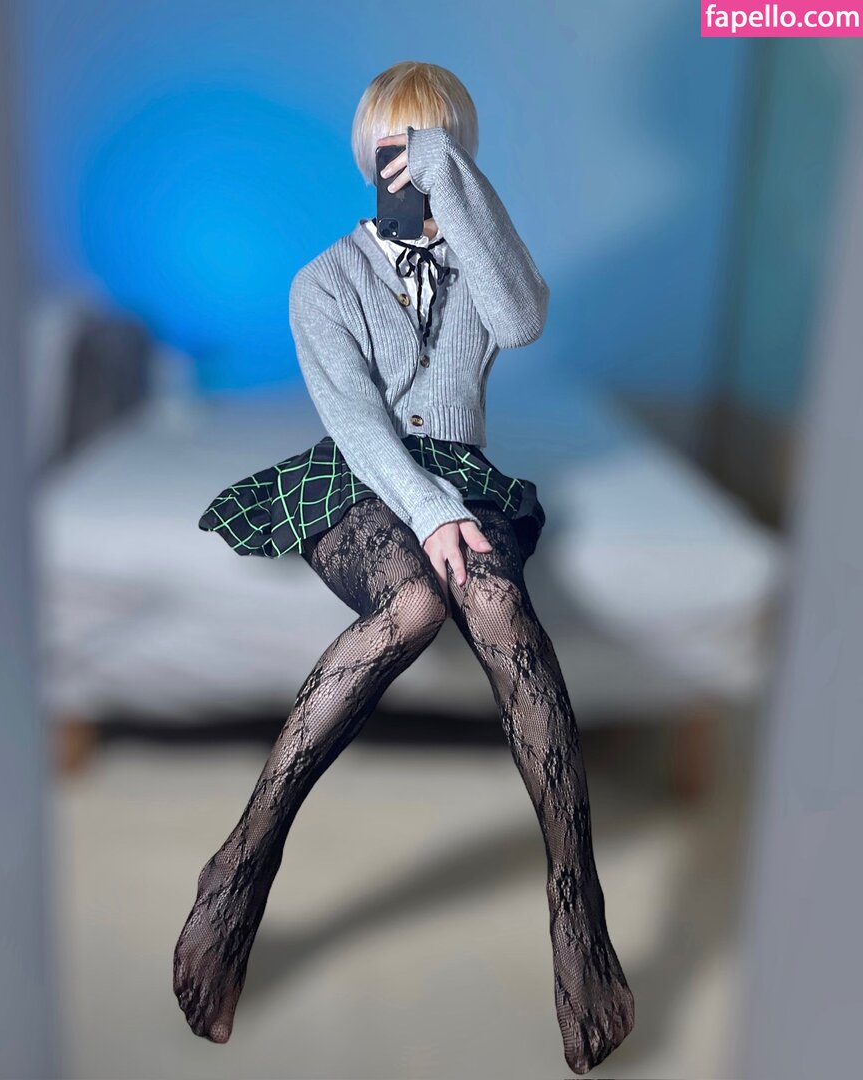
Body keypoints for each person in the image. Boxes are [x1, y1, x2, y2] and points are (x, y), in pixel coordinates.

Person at [173, 60, 634, 1075]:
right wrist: (429, 514)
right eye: (394, 145)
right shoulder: (322, 281)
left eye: (432, 146)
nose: (409, 164)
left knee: (495, 602)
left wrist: (455, 188)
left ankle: (577, 908)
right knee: (419, 601)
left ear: (458, 157)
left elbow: (521, 319)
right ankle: (242, 863)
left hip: (462, 471)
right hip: (359, 477)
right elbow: (359, 424)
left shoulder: (482, 258)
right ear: (363, 153)